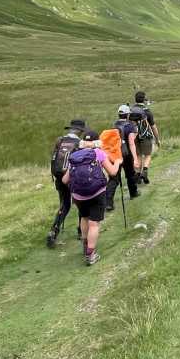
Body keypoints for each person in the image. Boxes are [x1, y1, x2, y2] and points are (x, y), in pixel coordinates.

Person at [63, 133, 121, 265]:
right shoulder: (98, 153)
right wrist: (117, 162)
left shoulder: (75, 156)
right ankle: (90, 254)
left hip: (78, 196)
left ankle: (85, 246)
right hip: (97, 193)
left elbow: (65, 180)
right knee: (94, 223)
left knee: (84, 218)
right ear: (97, 141)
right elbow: (112, 172)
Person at [47, 120, 88, 248]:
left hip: (58, 176)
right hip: (72, 176)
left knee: (64, 204)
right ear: (80, 131)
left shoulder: (59, 140)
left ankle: (53, 231)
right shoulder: (79, 143)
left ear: (70, 129)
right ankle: (81, 231)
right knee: (81, 202)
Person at [104, 104, 141, 210]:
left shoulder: (114, 125)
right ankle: (133, 193)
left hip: (115, 154)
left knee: (114, 178)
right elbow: (131, 143)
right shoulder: (130, 126)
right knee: (130, 175)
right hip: (126, 154)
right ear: (128, 115)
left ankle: (108, 203)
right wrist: (135, 158)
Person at [131, 91, 160, 184]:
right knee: (147, 155)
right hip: (146, 136)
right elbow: (153, 127)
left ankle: (138, 175)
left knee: (138, 155)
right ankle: (145, 171)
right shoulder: (147, 111)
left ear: (135, 99)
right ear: (144, 100)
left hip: (134, 136)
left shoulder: (131, 110)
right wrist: (157, 139)